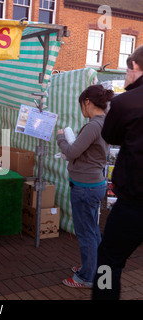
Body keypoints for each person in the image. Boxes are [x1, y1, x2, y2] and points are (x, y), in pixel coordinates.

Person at [93, 46, 143, 300]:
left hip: (134, 203)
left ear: (135, 66)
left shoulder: (126, 101)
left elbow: (111, 135)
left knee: (108, 260)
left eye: (127, 69)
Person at [56, 85, 114, 288]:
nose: (81, 109)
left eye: (81, 104)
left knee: (86, 233)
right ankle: (93, 269)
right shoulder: (105, 122)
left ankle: (88, 277)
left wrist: (61, 137)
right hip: (94, 183)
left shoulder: (93, 125)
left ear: (87, 102)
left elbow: (72, 152)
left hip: (85, 187)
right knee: (93, 231)